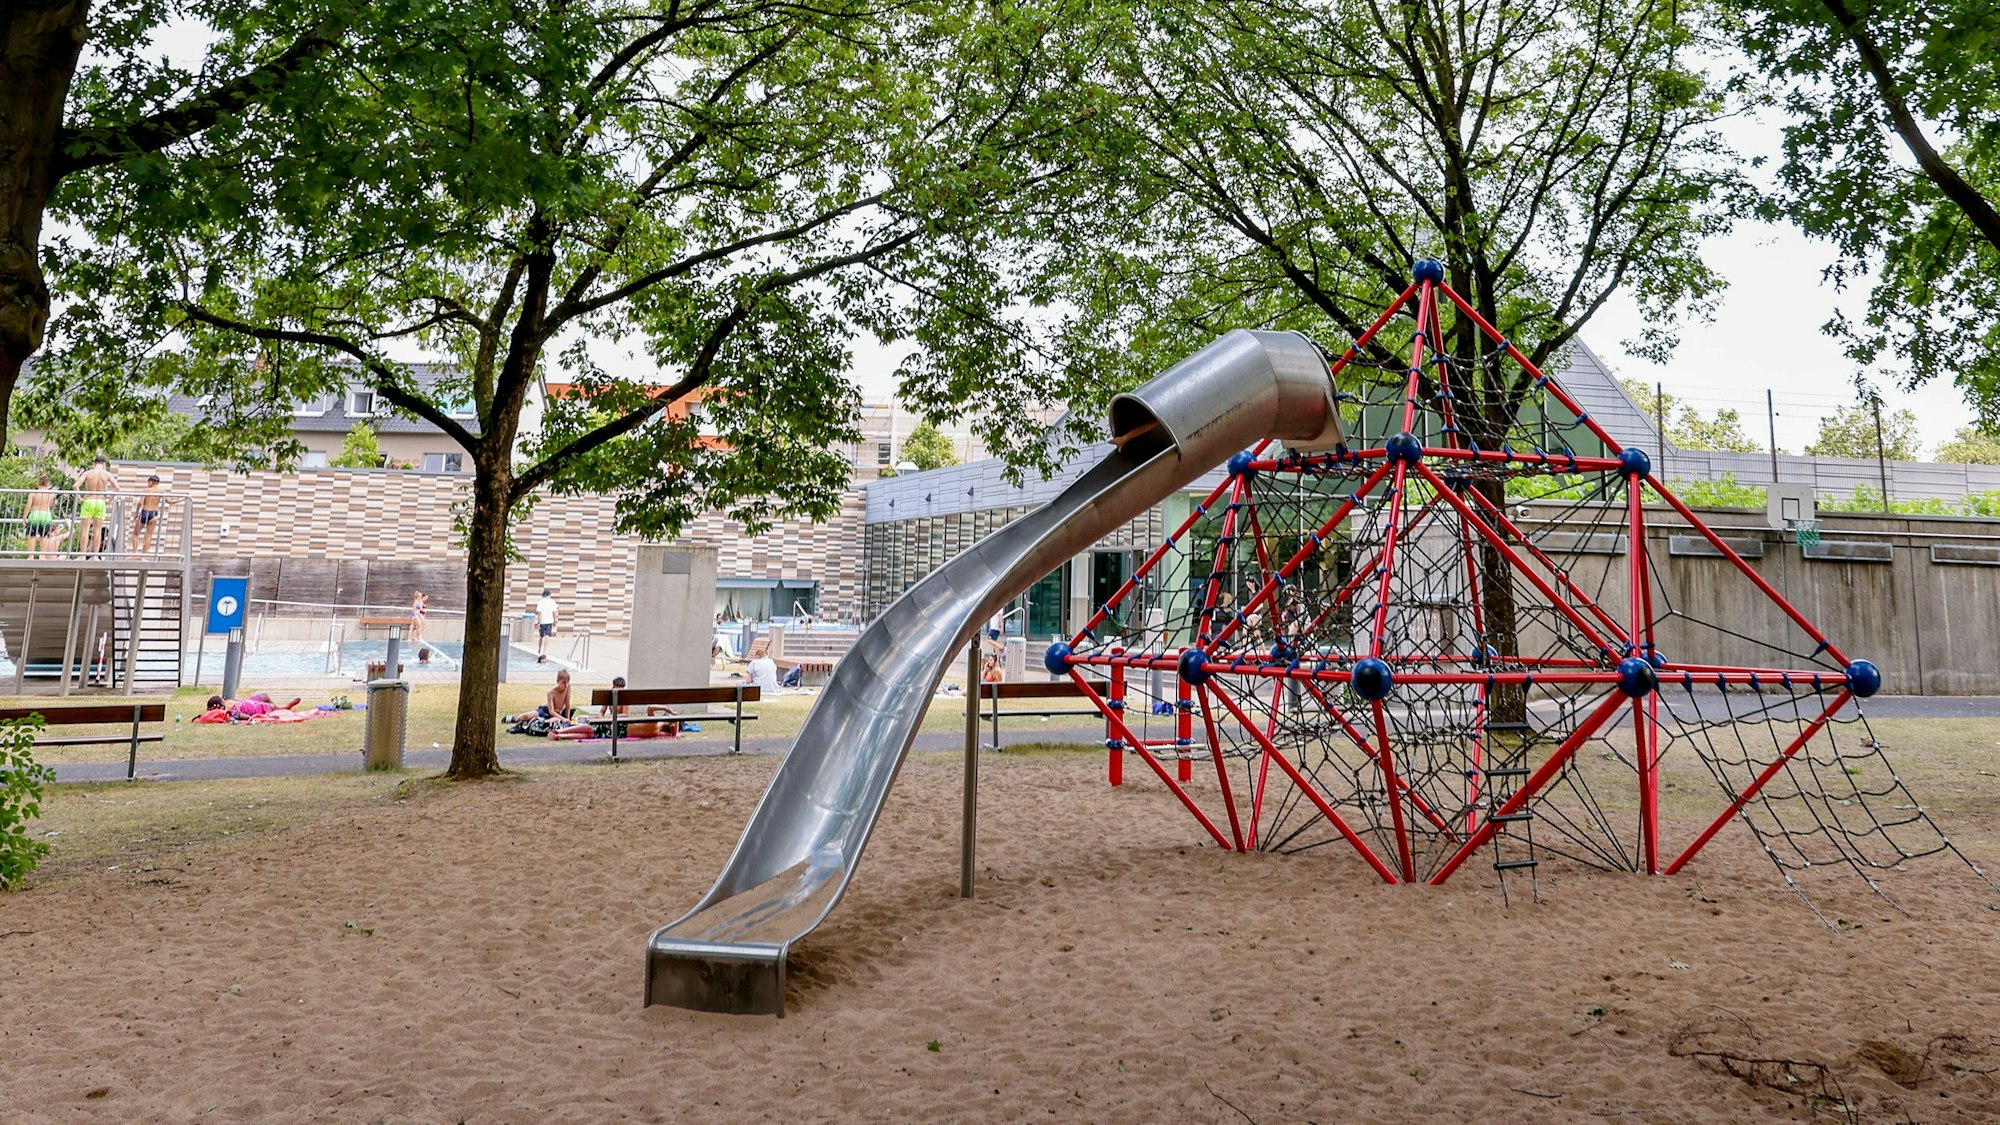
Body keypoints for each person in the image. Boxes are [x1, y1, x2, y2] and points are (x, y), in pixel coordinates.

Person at [75, 455, 115, 556]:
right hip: (100, 501)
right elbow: (117, 487)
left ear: (94, 464)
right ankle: (95, 555)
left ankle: (82, 555)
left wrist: (80, 499)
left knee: (85, 529)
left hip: (89, 499)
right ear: (104, 464)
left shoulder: (88, 473)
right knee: (98, 530)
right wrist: (108, 501)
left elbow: (75, 485)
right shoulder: (107, 474)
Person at [131, 473, 167, 553]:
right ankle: (144, 555)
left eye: (148, 482)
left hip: (145, 512)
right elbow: (170, 501)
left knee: (135, 534)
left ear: (152, 482)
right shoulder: (162, 491)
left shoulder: (146, 490)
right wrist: (181, 500)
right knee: (148, 536)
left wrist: (136, 513)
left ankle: (134, 553)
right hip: (154, 514)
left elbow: (140, 502)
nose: (148, 484)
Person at [24, 475, 57, 558]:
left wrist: (24, 517)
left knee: (32, 536)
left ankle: (31, 556)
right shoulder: (50, 494)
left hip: (35, 514)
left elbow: (28, 506)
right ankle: (42, 556)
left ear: (38, 483)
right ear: (48, 484)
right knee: (44, 536)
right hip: (46, 514)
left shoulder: (33, 493)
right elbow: (51, 504)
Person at [535, 587, 558, 663]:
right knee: (547, 635)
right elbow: (554, 612)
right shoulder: (552, 602)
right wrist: (555, 620)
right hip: (549, 621)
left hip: (542, 621)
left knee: (541, 636)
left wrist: (538, 622)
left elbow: (539, 613)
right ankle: (544, 650)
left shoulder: (541, 602)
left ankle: (539, 649)